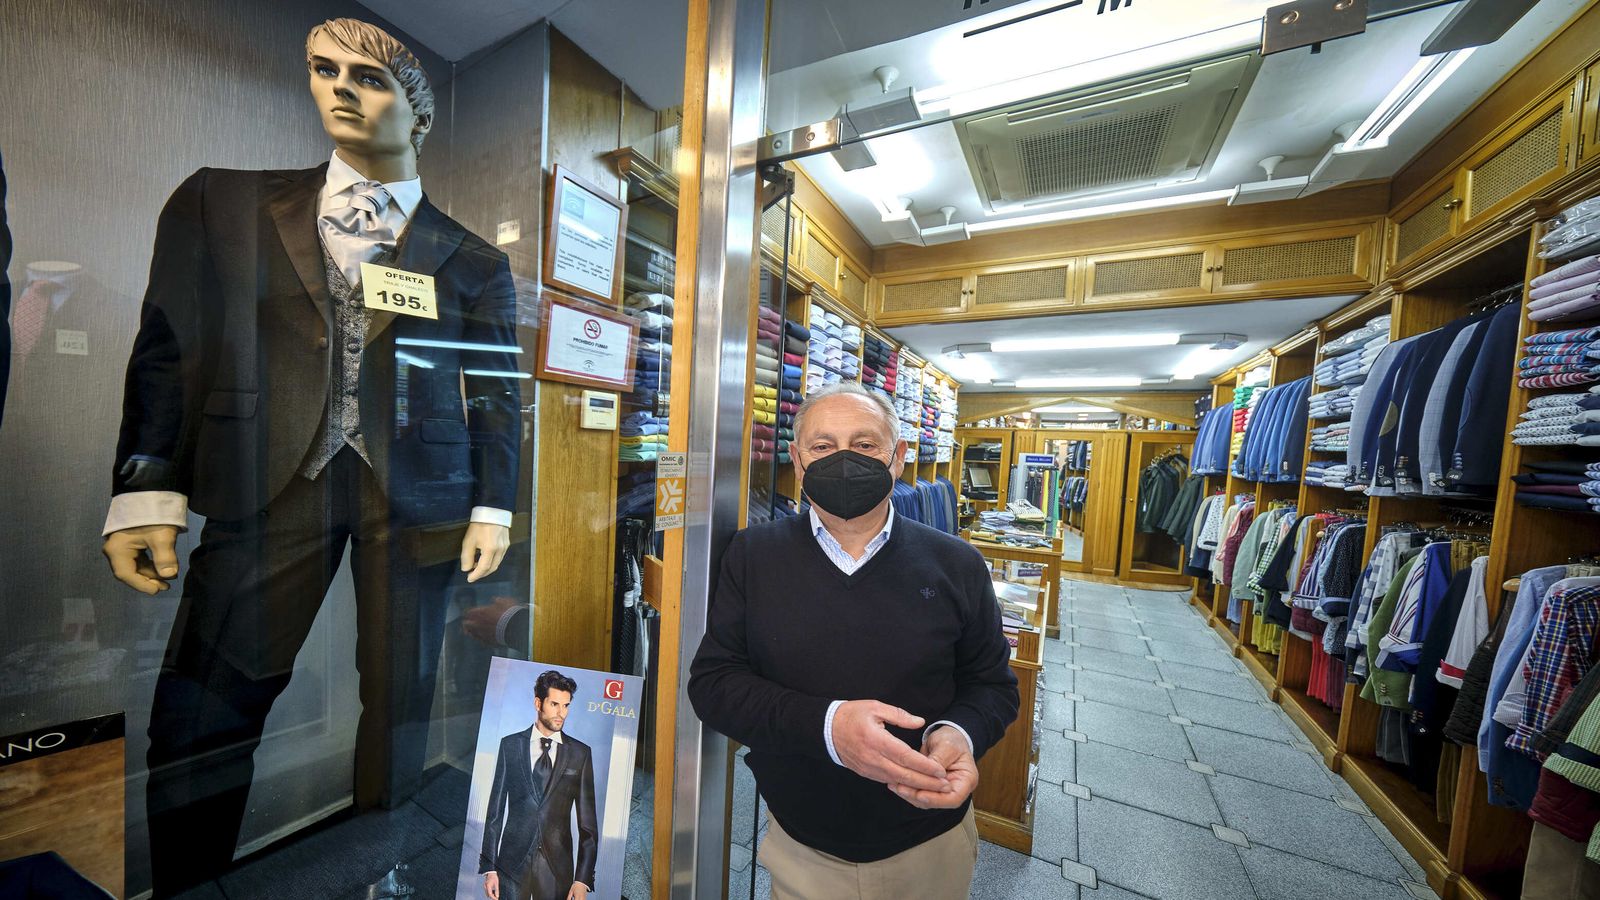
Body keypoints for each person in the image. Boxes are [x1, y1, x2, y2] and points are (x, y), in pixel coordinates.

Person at [99, 18, 521, 894]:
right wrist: (146, 486)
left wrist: (494, 504)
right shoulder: (219, 202)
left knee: (401, 703)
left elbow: (494, 394)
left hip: (419, 495)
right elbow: (172, 348)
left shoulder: (474, 258)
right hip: (265, 481)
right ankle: (189, 888)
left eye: (367, 77)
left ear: (418, 110)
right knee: (204, 708)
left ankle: (382, 868)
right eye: (324, 69)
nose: (338, 88)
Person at [688, 381, 1020, 900]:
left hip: (929, 838)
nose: (843, 460)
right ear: (798, 462)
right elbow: (714, 685)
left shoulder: (958, 564)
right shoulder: (753, 556)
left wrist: (959, 733)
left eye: (864, 444)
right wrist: (829, 728)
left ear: (898, 457)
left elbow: (992, 686)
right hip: (802, 846)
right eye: (823, 446)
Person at [479, 670, 599, 900]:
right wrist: (490, 868)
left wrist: (582, 879)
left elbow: (588, 826)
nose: (561, 713)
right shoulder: (510, 745)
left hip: (557, 867)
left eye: (566, 706)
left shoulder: (580, 753)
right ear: (538, 703)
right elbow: (494, 813)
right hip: (512, 863)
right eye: (554, 704)